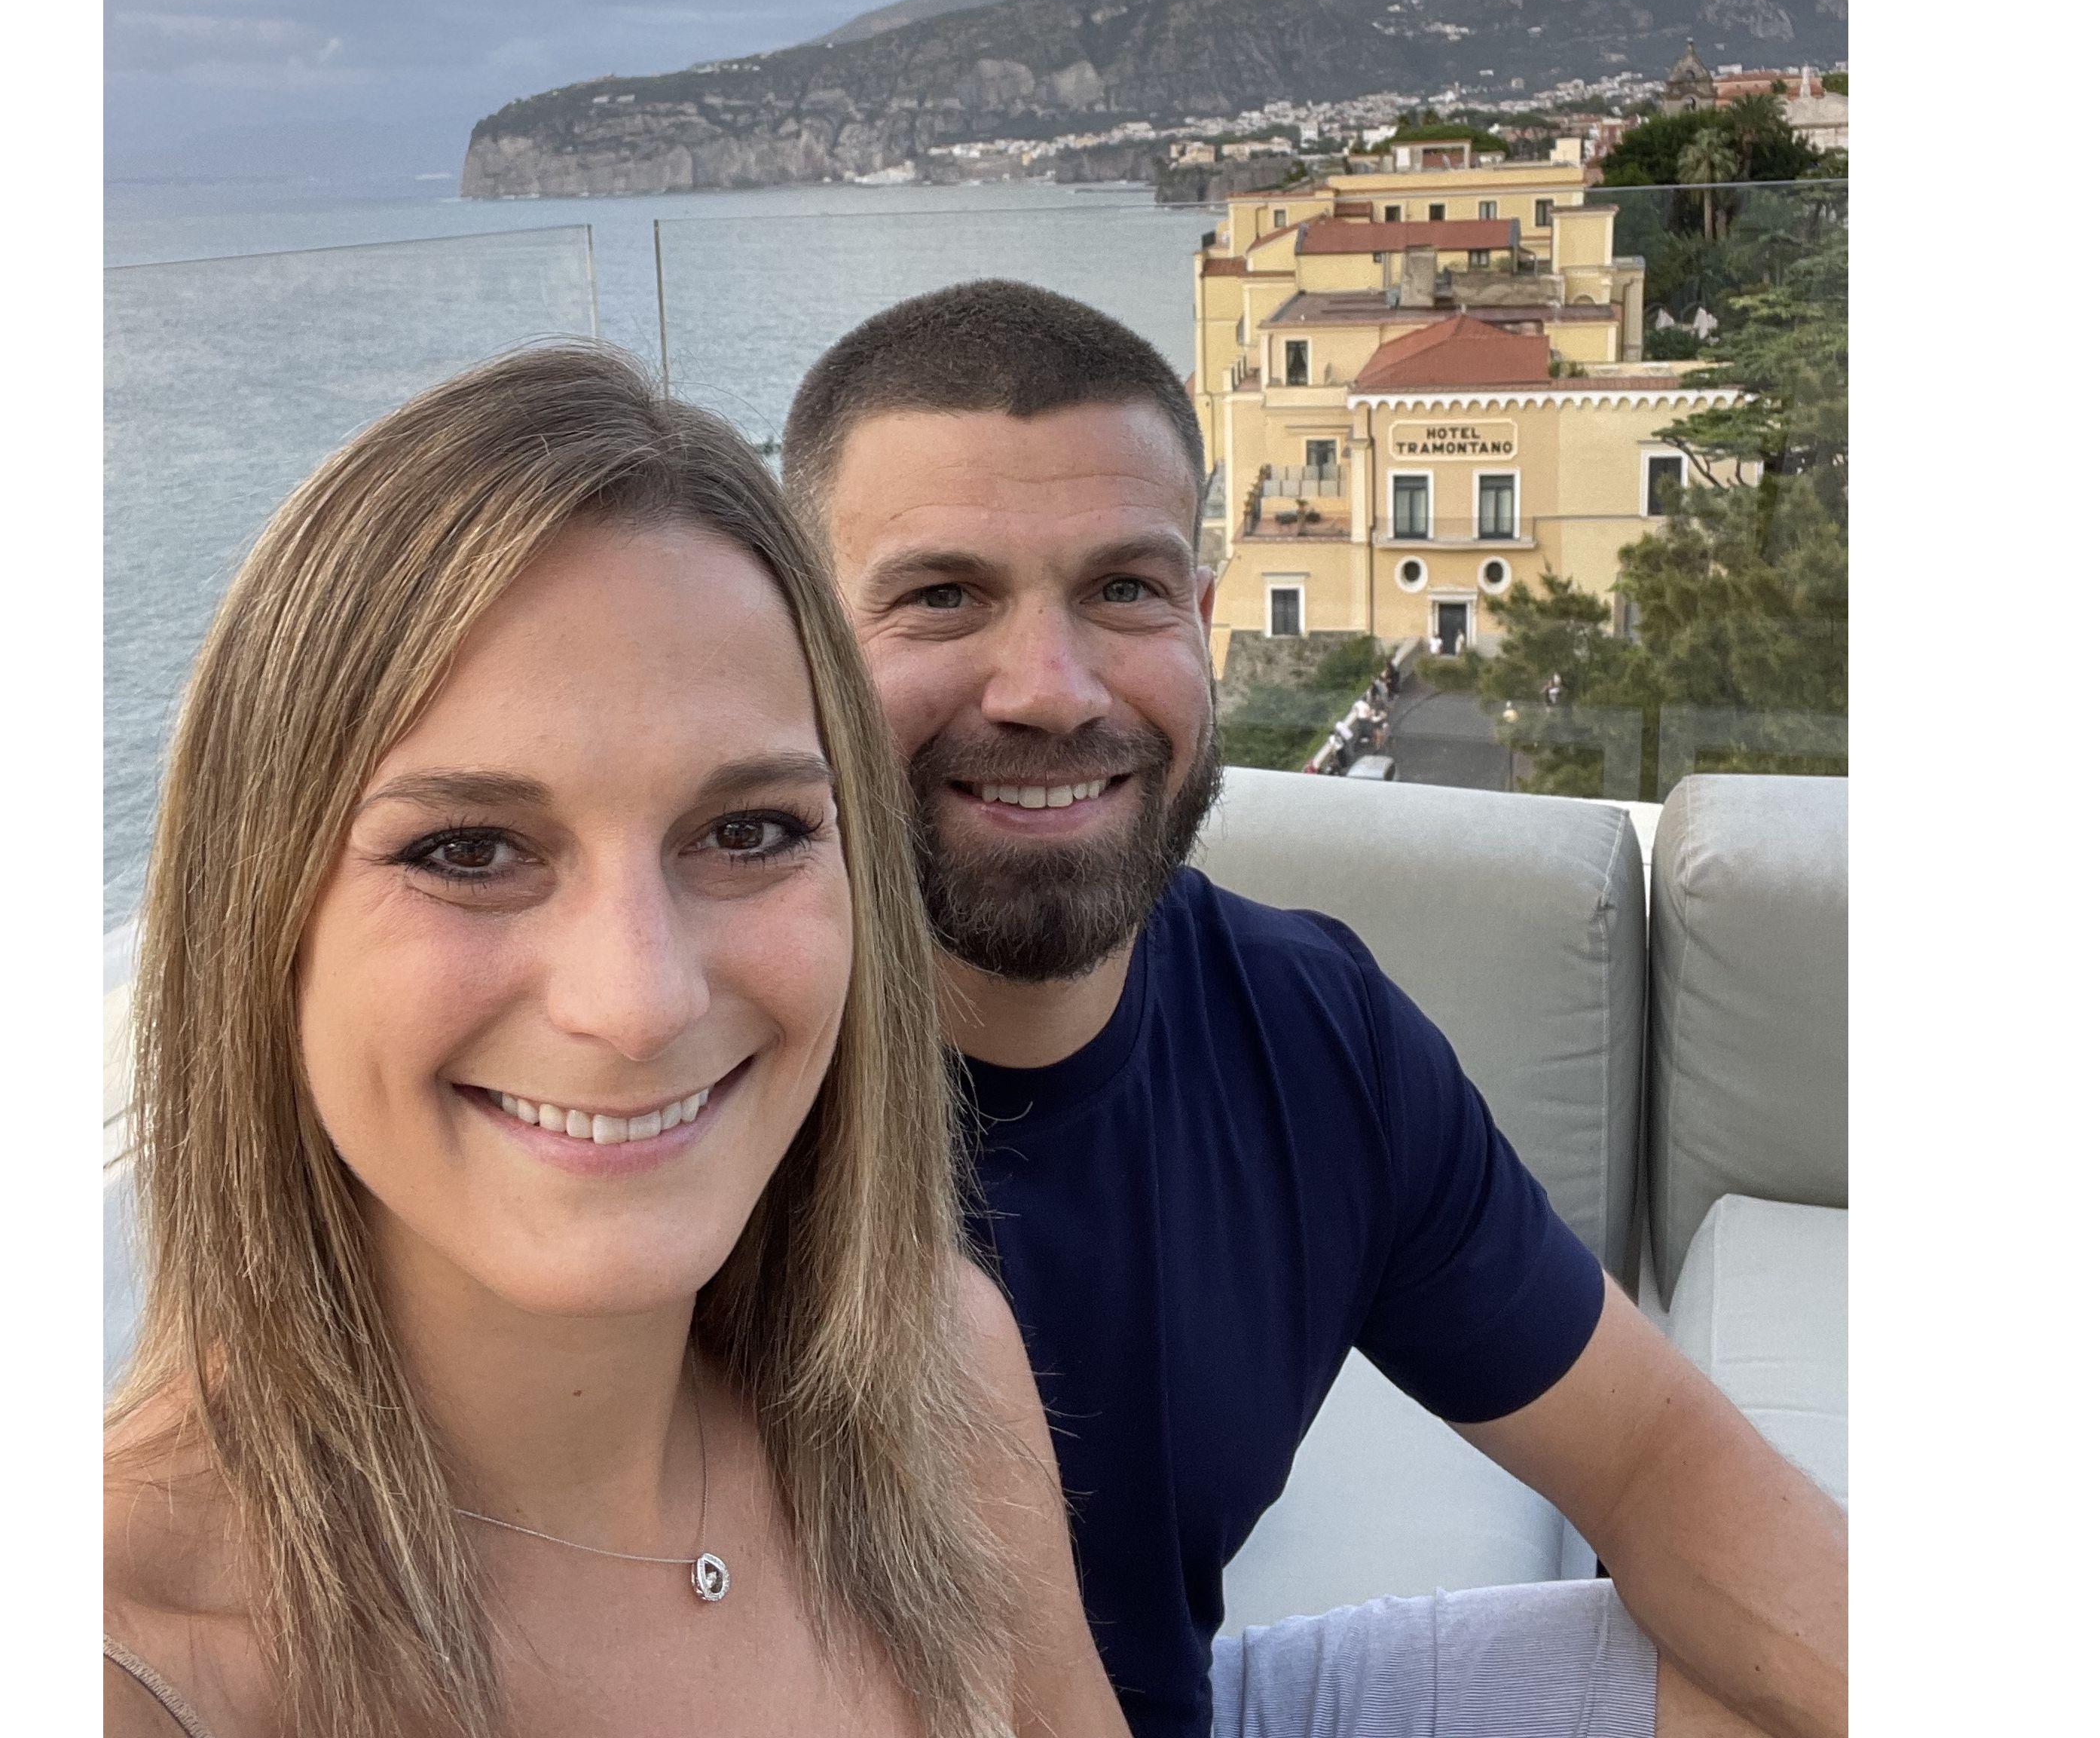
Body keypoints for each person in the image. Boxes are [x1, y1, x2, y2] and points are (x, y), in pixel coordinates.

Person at [782, 282, 1848, 1738]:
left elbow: (1660, 1462)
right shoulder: (705, 1084)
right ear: (799, 656)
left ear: (1205, 622)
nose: (1049, 689)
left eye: (1125, 589)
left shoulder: (1308, 1032)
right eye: (943, 596)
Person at [104, 346, 1126, 1738]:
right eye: (471, 849)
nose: (638, 998)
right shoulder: (128, 1668)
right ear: (258, 924)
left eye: (748, 832)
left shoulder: (938, 1381)